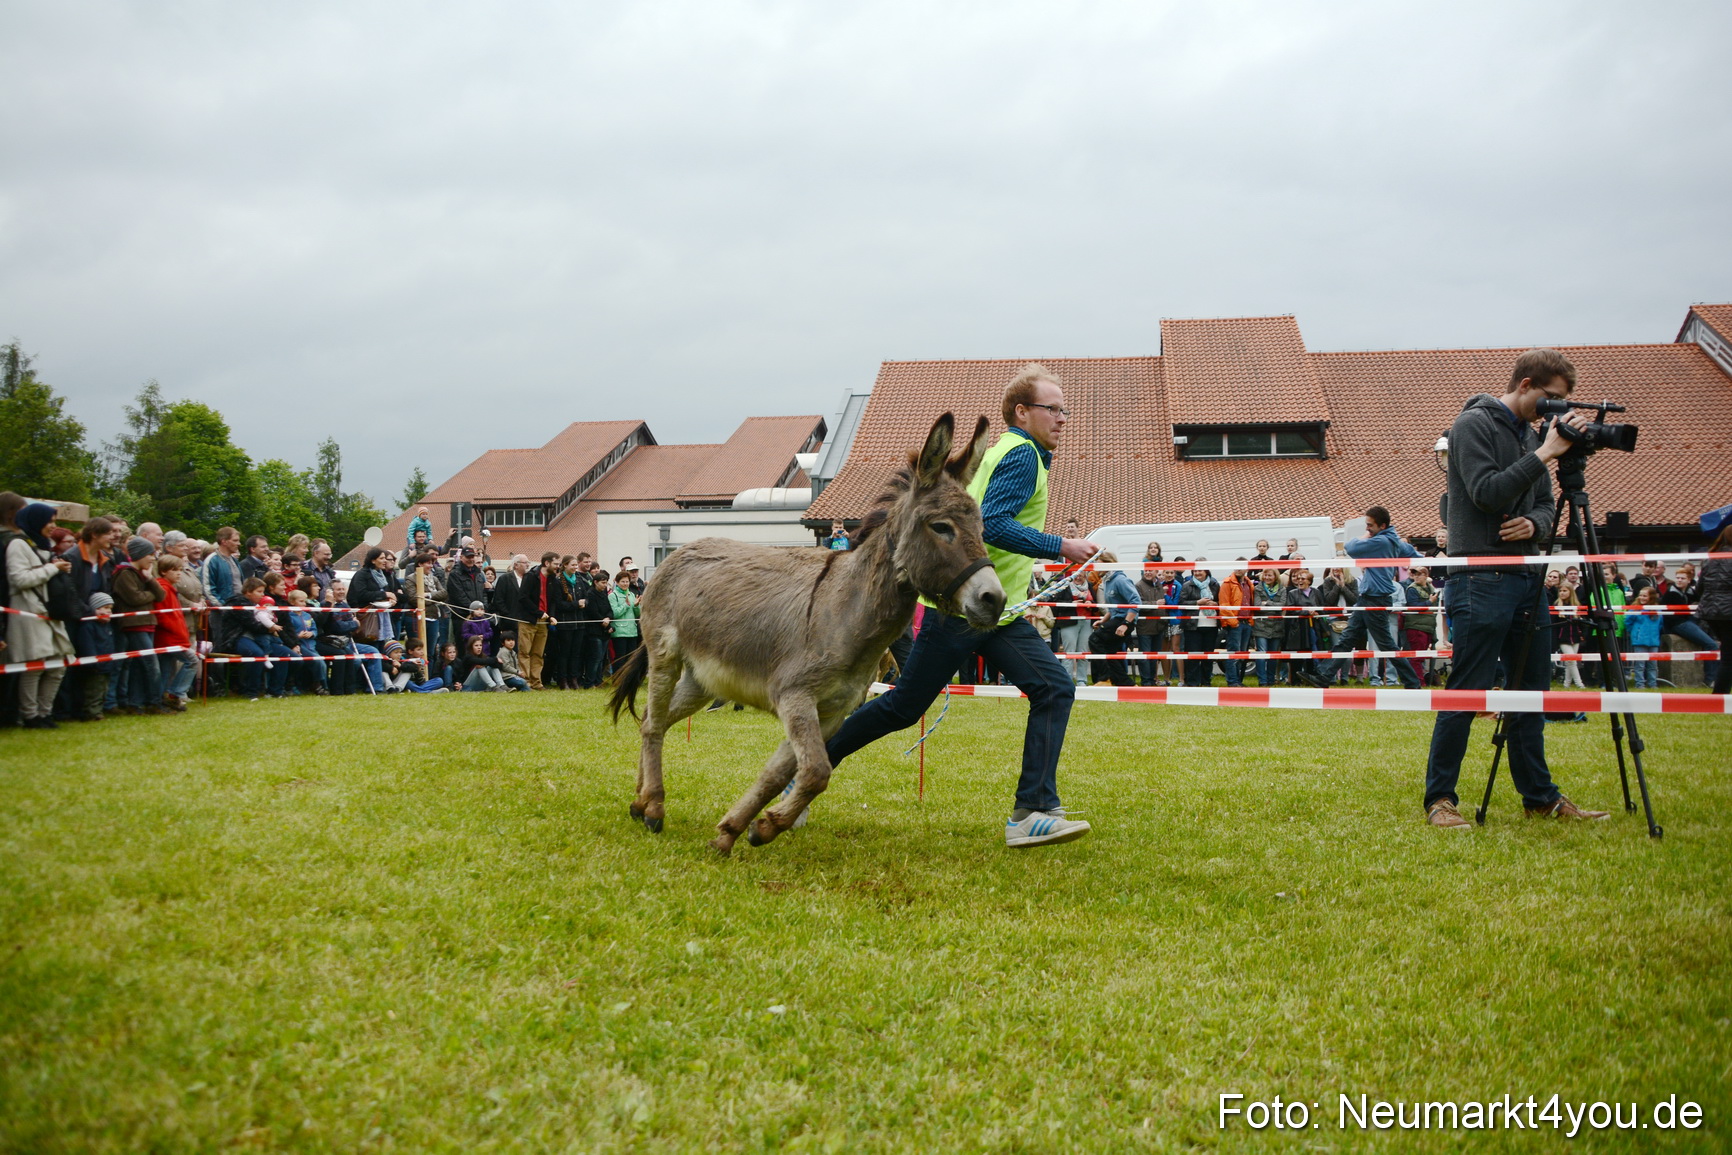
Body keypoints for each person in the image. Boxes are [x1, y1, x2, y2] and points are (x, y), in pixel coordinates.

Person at [818, 363, 1097, 847]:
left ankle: (1034, 810)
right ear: (1022, 412)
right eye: (1053, 409)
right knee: (906, 707)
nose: (1062, 418)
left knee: (1047, 689)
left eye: (1064, 410)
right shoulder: (1022, 455)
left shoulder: (1006, 451)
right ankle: (809, 763)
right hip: (970, 607)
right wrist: (1062, 546)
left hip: (992, 611)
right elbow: (994, 523)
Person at [1423, 348, 1609, 829]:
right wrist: (1545, 452)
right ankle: (1440, 799)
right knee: (1467, 691)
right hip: (1479, 577)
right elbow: (1486, 492)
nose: (1553, 409)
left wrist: (1535, 523)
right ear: (1525, 384)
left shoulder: (1530, 434)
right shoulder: (1472, 425)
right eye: (1550, 397)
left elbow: (1546, 504)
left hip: (1528, 576)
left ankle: (1539, 797)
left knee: (1532, 693)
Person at [1314, 508, 1422, 690]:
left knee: (1386, 644)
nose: (1368, 528)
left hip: (1375, 599)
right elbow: (1412, 552)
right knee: (1347, 638)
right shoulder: (1393, 540)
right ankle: (1324, 676)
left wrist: (1366, 535)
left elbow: (1350, 547)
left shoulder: (1381, 541)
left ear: (1382, 526)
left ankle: (1412, 682)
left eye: (1370, 525)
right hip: (1367, 598)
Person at [5, 503, 75, 728]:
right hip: (29, 611)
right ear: (35, 521)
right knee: (34, 666)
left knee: (58, 666)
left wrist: (57, 567)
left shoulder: (42, 546)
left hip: (49, 613)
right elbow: (19, 579)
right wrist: (54, 569)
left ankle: (45, 713)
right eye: (49, 521)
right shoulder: (18, 544)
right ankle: (30, 715)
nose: (53, 526)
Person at [112, 536, 168, 715]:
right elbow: (134, 598)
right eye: (149, 554)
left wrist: (150, 579)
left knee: (138, 665)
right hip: (134, 624)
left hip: (148, 622)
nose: (153, 558)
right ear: (139, 555)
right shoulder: (124, 574)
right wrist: (151, 594)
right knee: (151, 665)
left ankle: (135, 703)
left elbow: (161, 595)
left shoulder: (144, 575)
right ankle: (154, 702)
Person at [152, 554, 199, 710]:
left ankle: (161, 698)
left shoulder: (169, 589)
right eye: (175, 570)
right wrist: (178, 634)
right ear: (164, 571)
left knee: (166, 670)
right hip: (169, 637)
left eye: (180, 570)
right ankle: (175, 693)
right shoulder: (163, 589)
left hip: (172, 637)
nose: (179, 573)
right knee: (192, 660)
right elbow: (163, 617)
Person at [1695, 522, 1732, 696]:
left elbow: (1699, 589)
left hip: (1710, 611)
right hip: (1728, 612)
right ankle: (1719, 695)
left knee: (1727, 654)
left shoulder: (1711, 559)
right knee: (1729, 658)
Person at [1179, 561, 1219, 687]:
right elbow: (1181, 603)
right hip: (1193, 626)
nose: (1197, 573)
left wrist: (1216, 604)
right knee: (1193, 656)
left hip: (1211, 624)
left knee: (1208, 656)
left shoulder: (1215, 584)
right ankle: (1192, 682)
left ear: (1206, 571)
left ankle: (1206, 681)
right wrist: (1197, 603)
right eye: (1195, 571)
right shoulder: (1187, 585)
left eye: (1200, 570)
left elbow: (1221, 601)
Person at [284, 588, 330, 695]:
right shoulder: (289, 616)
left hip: (311, 645)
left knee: (321, 663)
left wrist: (312, 634)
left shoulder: (307, 615)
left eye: (304, 601)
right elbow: (288, 632)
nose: (304, 604)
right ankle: (318, 686)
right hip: (300, 646)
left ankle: (322, 685)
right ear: (292, 602)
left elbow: (314, 629)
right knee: (318, 662)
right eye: (301, 601)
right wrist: (297, 636)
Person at [1250, 565, 1286, 686]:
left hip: (1277, 626)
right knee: (1262, 653)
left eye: (1270, 575)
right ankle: (1262, 680)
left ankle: (1271, 679)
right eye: (1265, 575)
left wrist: (1267, 603)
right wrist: (1273, 605)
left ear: (1275, 576)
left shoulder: (1282, 589)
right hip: (1261, 625)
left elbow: (1282, 605)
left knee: (1273, 654)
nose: (1267, 577)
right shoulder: (1258, 588)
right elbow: (1257, 606)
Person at [1625, 587, 1662, 689]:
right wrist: (1635, 632)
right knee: (1640, 664)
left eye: (1645, 596)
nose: (1642, 597)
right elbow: (1628, 621)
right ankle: (1639, 684)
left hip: (1653, 641)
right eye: (1640, 595)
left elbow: (1660, 624)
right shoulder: (1635, 608)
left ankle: (1652, 684)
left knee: (1653, 665)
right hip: (1639, 640)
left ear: (1651, 597)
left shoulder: (1658, 610)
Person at [608, 570, 641, 673]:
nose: (625, 584)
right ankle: (618, 677)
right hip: (619, 632)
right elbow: (614, 613)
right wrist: (626, 605)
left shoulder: (632, 595)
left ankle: (628, 678)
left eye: (627, 581)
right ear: (617, 582)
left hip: (632, 631)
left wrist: (636, 606)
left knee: (630, 659)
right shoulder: (613, 596)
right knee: (620, 658)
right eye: (623, 581)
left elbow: (637, 614)